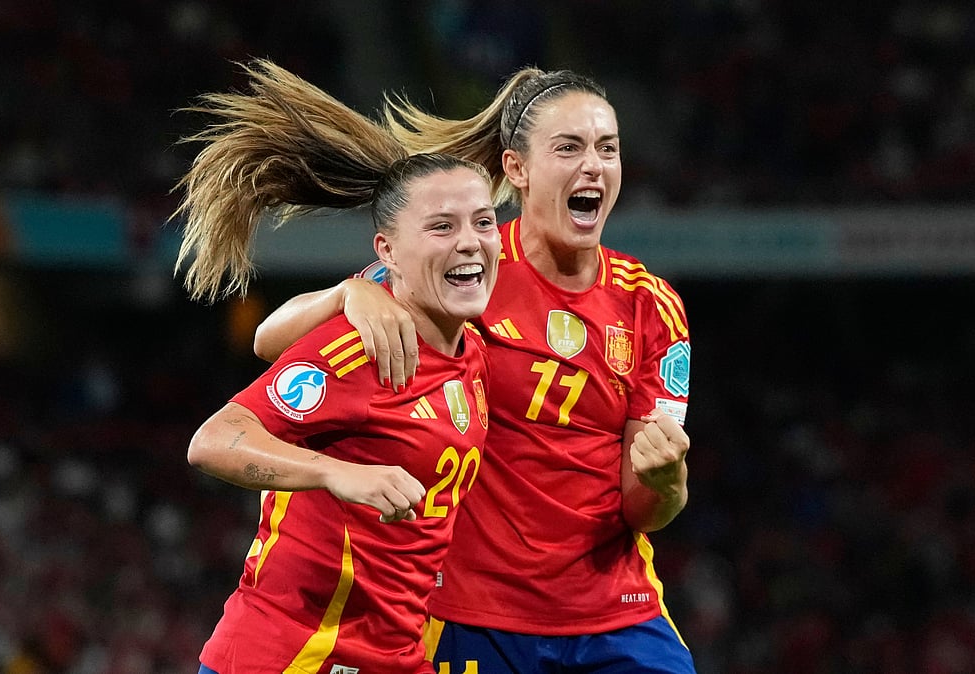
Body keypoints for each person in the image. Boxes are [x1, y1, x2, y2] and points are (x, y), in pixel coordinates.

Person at [254, 67, 696, 672]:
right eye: (569, 147)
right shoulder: (469, 267)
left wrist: (667, 481)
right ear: (516, 169)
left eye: (607, 148)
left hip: (618, 617)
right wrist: (347, 293)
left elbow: (646, 507)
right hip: (471, 617)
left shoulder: (651, 305)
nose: (593, 165)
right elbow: (267, 341)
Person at [172, 59, 500, 673]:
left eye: (483, 222)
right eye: (442, 226)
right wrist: (335, 473)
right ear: (388, 252)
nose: (470, 240)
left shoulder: (468, 347)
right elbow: (212, 440)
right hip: (294, 656)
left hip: (396, 657)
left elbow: (274, 334)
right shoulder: (361, 349)